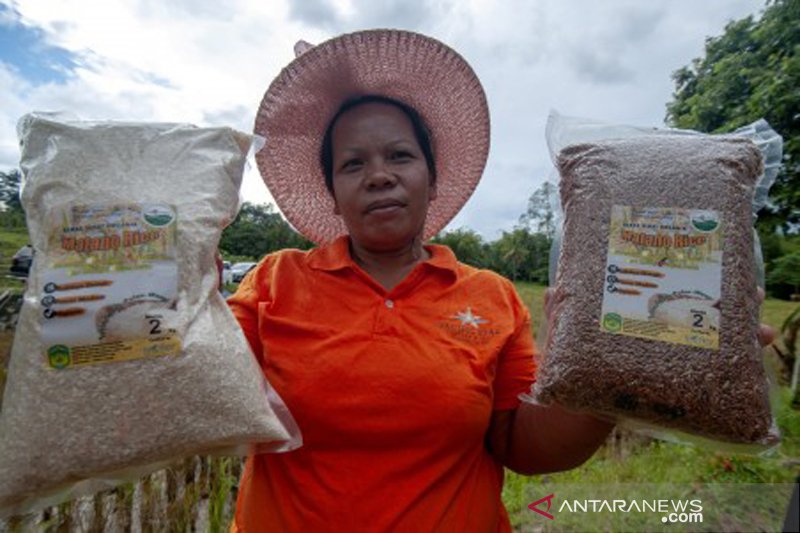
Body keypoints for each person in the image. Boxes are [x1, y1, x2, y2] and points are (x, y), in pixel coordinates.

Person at [227, 30, 775, 532]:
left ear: (432, 176)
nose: (379, 175)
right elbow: (208, 399)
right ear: (332, 190)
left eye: (400, 155)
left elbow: (525, 446)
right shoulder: (277, 281)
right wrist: (182, 304)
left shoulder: (489, 296)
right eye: (352, 164)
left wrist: (620, 359)